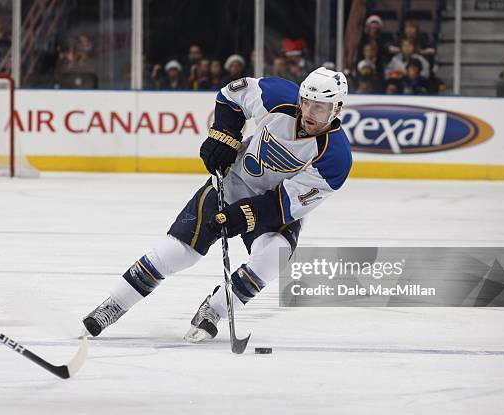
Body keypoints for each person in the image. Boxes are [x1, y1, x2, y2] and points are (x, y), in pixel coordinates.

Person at [82, 68, 353, 342]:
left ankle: (214, 310)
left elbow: (285, 203)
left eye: (319, 107)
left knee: (274, 257)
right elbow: (232, 94)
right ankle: (115, 303)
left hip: (274, 207)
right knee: (180, 252)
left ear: (337, 108)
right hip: (233, 182)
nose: (308, 112)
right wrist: (224, 136)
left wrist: (247, 214)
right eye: (306, 102)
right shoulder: (279, 96)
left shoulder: (336, 158)